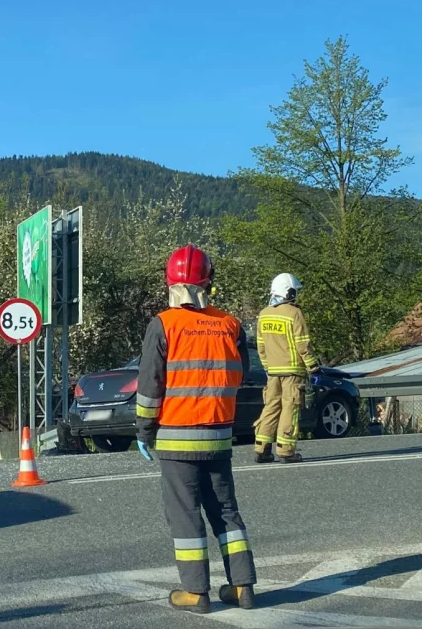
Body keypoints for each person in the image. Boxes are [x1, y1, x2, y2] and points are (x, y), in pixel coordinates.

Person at [135, 244, 257, 614]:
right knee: (226, 511)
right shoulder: (230, 325)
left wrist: (144, 431)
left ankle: (195, 592)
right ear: (208, 282)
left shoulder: (164, 324)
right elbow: (240, 376)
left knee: (185, 513)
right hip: (218, 436)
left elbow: (150, 385)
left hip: (177, 439)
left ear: (170, 283)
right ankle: (243, 586)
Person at [254, 273, 320, 464]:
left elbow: (261, 346)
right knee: (290, 408)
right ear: (288, 292)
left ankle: (261, 448)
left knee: (271, 407)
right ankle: (286, 450)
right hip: (292, 371)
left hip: (273, 372)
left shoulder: (264, 314)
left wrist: (267, 366)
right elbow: (302, 343)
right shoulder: (294, 313)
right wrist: (313, 366)